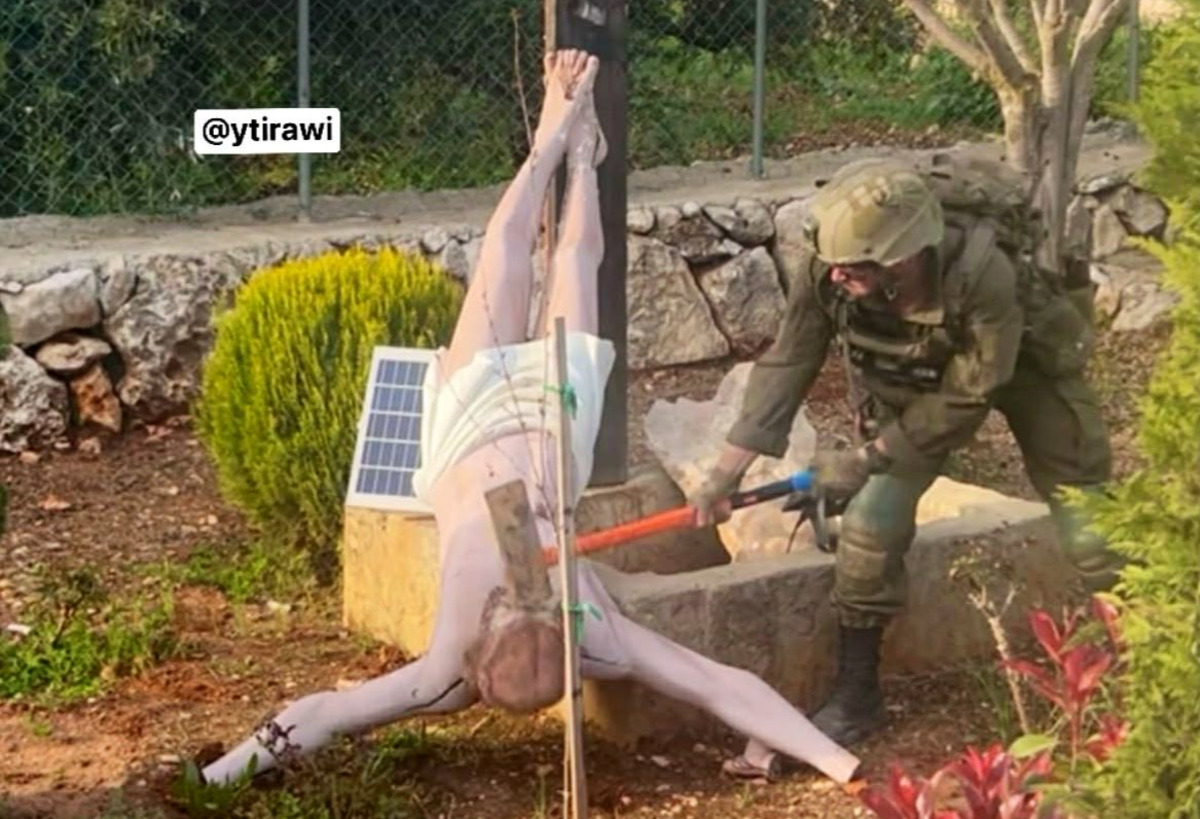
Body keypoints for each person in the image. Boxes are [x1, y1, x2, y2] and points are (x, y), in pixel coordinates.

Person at [197, 49, 862, 790]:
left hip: (466, 429)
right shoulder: (556, 647)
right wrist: (843, 767)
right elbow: (721, 685)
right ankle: (570, 153)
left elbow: (324, 712)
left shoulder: (503, 656)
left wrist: (219, 775)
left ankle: (566, 147)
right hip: (549, 426)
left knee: (516, 258)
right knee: (563, 260)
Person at [689, 156, 1120, 753]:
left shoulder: (983, 272)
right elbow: (789, 360)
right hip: (915, 384)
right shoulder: (830, 268)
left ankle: (1139, 651)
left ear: (903, 256)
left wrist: (866, 456)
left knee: (1085, 512)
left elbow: (971, 392)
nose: (837, 275)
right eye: (834, 263)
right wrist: (724, 473)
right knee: (871, 523)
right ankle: (857, 696)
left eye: (854, 266)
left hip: (1023, 368)